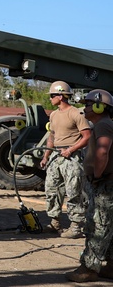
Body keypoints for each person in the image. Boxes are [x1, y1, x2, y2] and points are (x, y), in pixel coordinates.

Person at [67, 89, 113, 282]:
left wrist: (96, 175)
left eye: (87, 104)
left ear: (99, 106)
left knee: (97, 225)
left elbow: (102, 152)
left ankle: (88, 268)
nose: (84, 108)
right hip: (106, 181)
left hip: (104, 184)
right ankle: (110, 266)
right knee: (109, 225)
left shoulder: (103, 125)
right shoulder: (105, 124)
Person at [41, 80, 91, 239]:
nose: (50, 98)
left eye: (53, 95)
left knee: (74, 191)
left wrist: (70, 150)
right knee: (51, 189)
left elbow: (87, 136)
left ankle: (76, 226)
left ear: (61, 96)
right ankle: (54, 222)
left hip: (72, 158)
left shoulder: (75, 113)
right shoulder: (54, 114)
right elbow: (52, 136)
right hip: (55, 156)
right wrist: (46, 156)